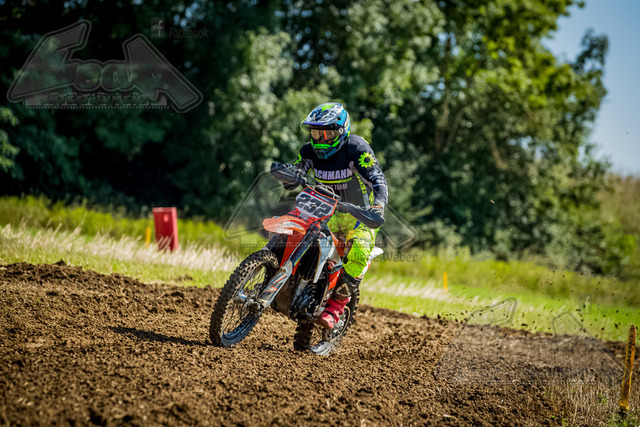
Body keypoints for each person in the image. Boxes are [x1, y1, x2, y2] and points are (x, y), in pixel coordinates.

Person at [281, 103, 388, 330]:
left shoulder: (356, 148)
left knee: (359, 251)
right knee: (292, 229)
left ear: (341, 131)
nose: (320, 139)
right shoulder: (308, 151)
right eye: (315, 132)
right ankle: (279, 274)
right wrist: (288, 174)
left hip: (358, 214)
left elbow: (377, 179)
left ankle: (336, 306)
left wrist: (378, 205)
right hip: (324, 209)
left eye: (326, 133)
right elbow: (297, 168)